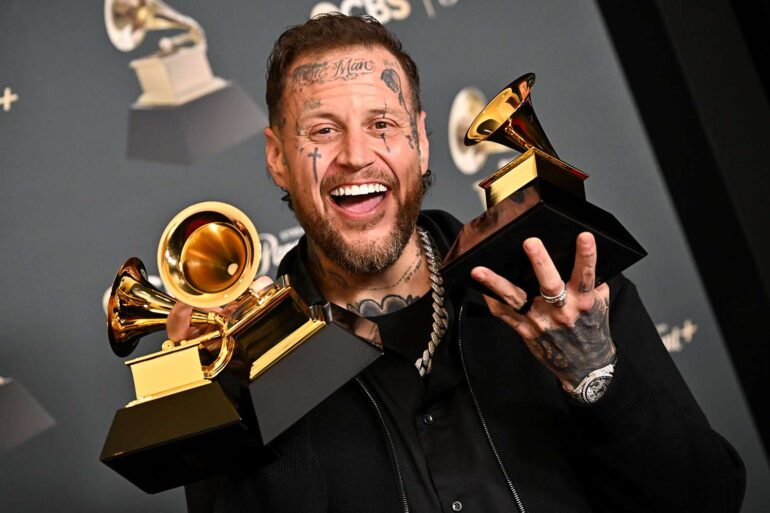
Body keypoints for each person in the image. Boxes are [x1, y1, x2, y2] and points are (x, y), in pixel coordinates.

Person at [175, 13, 745, 513]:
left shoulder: (566, 288)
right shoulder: (235, 364)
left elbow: (708, 499)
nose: (355, 156)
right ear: (278, 157)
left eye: (382, 125)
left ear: (421, 142)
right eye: (323, 131)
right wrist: (256, 397)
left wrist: (595, 376)